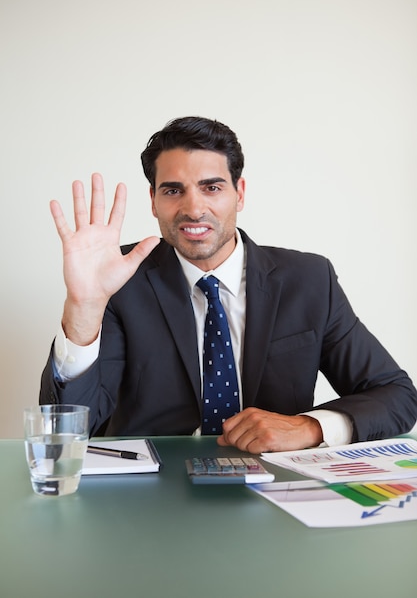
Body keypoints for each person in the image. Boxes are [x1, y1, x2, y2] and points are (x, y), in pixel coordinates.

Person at [40, 116, 417, 453]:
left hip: (277, 488)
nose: (193, 208)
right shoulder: (119, 277)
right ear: (153, 201)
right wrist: (85, 307)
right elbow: (68, 429)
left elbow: (397, 396)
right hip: (151, 496)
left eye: (212, 187)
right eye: (173, 190)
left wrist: (309, 427)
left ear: (240, 193)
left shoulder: (309, 280)